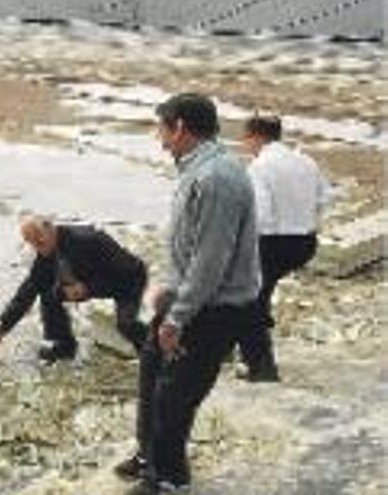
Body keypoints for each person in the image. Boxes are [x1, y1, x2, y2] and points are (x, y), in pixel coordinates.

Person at [115, 93, 260, 494]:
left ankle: (168, 480)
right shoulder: (197, 170)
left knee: (174, 399)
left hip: (211, 309)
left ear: (179, 127)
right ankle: (149, 457)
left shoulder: (216, 178)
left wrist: (178, 318)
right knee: (150, 377)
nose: (159, 138)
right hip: (185, 299)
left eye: (162, 128)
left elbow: (211, 261)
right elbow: (189, 246)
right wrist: (168, 293)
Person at [0, 216, 149, 364]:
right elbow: (27, 292)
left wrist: (89, 288)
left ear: (51, 228)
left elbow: (128, 271)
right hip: (86, 284)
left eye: (39, 240)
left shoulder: (88, 239)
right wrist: (1, 332)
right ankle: (63, 346)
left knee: (126, 324)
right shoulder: (45, 254)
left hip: (128, 279)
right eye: (33, 244)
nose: (38, 248)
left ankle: (157, 350)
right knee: (49, 294)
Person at [238, 115, 331, 382]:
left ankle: (261, 367)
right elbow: (326, 197)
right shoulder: (305, 160)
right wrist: (304, 218)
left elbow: (262, 215)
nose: (245, 144)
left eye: (245, 139)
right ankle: (247, 351)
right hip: (305, 242)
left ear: (255, 136)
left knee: (249, 301)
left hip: (273, 243)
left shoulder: (259, 167)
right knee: (259, 295)